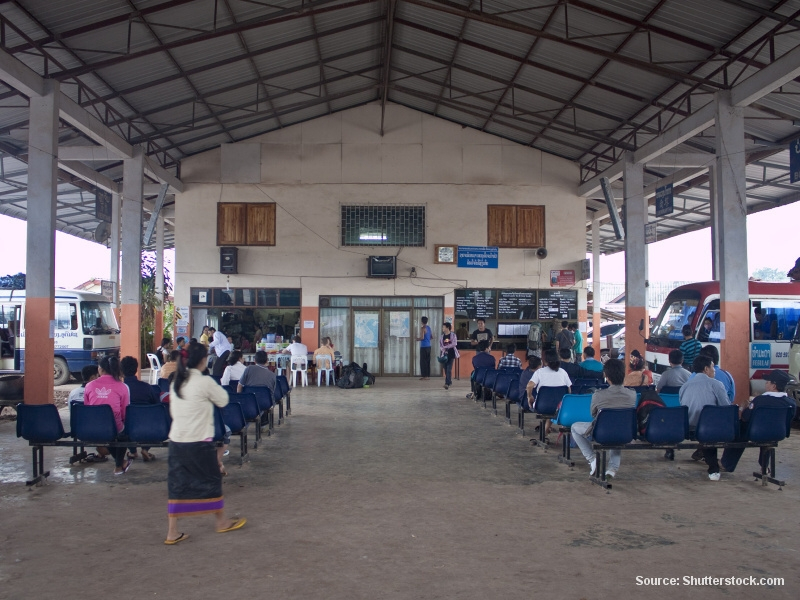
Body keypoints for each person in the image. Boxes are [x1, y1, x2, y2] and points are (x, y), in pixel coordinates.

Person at [166, 342, 245, 545]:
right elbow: (224, 400)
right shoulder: (204, 381)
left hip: (177, 440)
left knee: (177, 485)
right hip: (199, 440)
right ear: (203, 361)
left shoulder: (176, 382)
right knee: (211, 481)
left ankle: (172, 532)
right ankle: (222, 522)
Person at [570, 358, 636, 479]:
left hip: (601, 433)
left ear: (606, 376)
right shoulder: (632, 395)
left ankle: (592, 459)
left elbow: (593, 414)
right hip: (625, 434)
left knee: (574, 427)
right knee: (618, 426)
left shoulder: (598, 395)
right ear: (623, 375)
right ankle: (612, 469)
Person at [720, 370, 797, 473]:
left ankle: (727, 464)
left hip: (756, 433)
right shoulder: (791, 403)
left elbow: (746, 417)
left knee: (740, 428)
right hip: (779, 433)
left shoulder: (759, 400)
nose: (765, 384)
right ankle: (764, 465)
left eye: (767, 382)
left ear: (774, 386)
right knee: (769, 429)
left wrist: (743, 407)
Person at [679, 354, 731, 481]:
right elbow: (726, 408)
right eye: (713, 367)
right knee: (712, 425)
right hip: (708, 428)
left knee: (708, 425)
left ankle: (712, 465)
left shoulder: (684, 386)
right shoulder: (716, 384)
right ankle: (716, 467)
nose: (714, 370)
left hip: (689, 427)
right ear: (706, 369)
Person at [84, 355, 132, 476]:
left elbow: (87, 407)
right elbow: (124, 412)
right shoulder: (122, 387)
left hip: (92, 426)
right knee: (122, 432)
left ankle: (121, 463)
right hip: (114, 427)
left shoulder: (89, 386)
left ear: (100, 369)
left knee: (109, 432)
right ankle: (118, 466)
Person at [120, 356, 160, 462]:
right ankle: (145, 449)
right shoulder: (146, 387)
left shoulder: (120, 389)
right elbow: (157, 405)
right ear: (136, 369)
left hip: (126, 428)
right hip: (147, 426)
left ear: (121, 371)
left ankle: (133, 451)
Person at [439, 323, 458, 390]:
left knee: (449, 369)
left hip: (451, 354)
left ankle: (447, 383)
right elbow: (440, 345)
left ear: (447, 328)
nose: (443, 328)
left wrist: (446, 347)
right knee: (445, 369)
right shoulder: (442, 336)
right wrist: (442, 348)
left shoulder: (453, 335)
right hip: (444, 354)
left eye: (443, 327)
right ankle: (449, 381)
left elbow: (454, 343)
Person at [417, 316, 432, 380]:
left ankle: (424, 376)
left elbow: (422, 337)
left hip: (423, 346)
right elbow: (432, 337)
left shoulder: (423, 328)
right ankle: (428, 375)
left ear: (422, 321)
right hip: (429, 346)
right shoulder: (429, 328)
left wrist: (417, 339)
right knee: (428, 361)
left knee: (423, 361)